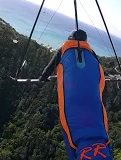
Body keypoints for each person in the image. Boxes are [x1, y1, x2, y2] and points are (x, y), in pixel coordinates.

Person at [39, 29, 112, 160]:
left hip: (72, 101)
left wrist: (42, 79)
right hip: (93, 101)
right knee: (96, 134)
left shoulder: (64, 49)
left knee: (72, 132)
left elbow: (49, 69)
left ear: (70, 38)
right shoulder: (92, 53)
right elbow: (101, 77)